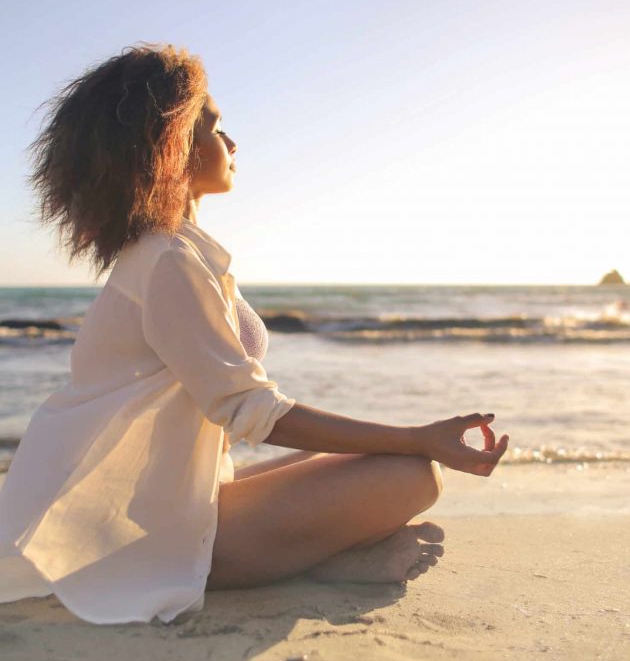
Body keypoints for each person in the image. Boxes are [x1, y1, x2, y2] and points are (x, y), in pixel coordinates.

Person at [0, 44, 509, 625]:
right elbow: (249, 409)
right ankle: (316, 560)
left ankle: (327, 556)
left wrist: (407, 437)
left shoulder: (179, 252)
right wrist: (420, 437)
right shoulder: (167, 261)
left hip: (165, 501)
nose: (233, 143)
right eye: (215, 128)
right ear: (169, 146)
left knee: (374, 456)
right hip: (129, 531)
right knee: (409, 472)